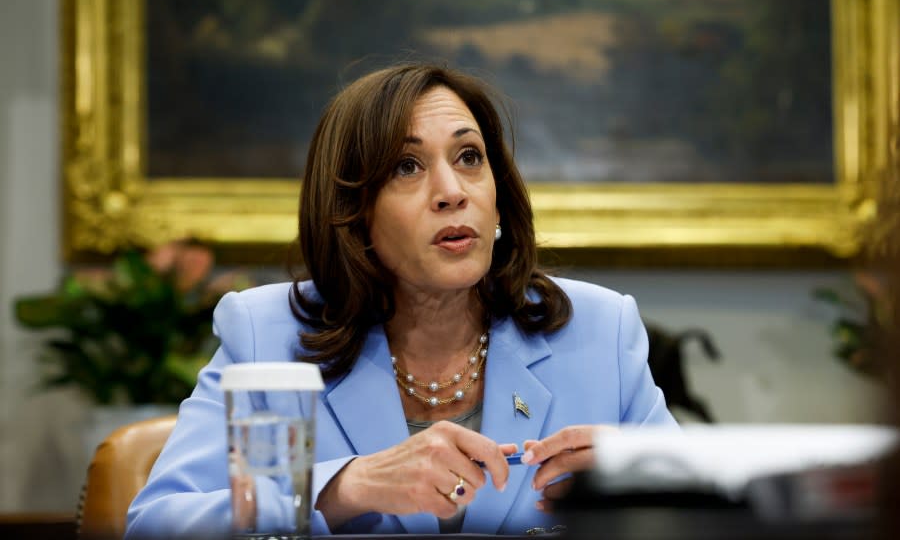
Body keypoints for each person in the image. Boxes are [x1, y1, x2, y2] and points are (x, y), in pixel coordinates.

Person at [125, 63, 677, 538]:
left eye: (469, 157)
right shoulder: (267, 335)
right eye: (406, 167)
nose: (452, 191)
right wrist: (344, 488)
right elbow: (153, 524)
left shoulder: (600, 332)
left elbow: (711, 514)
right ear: (354, 213)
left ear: (499, 198)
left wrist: (640, 488)